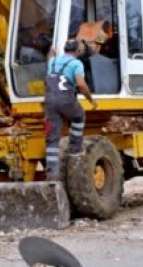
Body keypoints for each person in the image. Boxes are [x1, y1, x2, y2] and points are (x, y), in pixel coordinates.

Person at [44, 38, 98, 181]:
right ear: (77, 50)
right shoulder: (76, 64)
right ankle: (74, 149)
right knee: (79, 116)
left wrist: (51, 53)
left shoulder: (53, 61)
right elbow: (81, 84)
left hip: (49, 102)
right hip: (66, 100)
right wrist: (91, 100)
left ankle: (51, 175)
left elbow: (50, 62)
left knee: (52, 139)